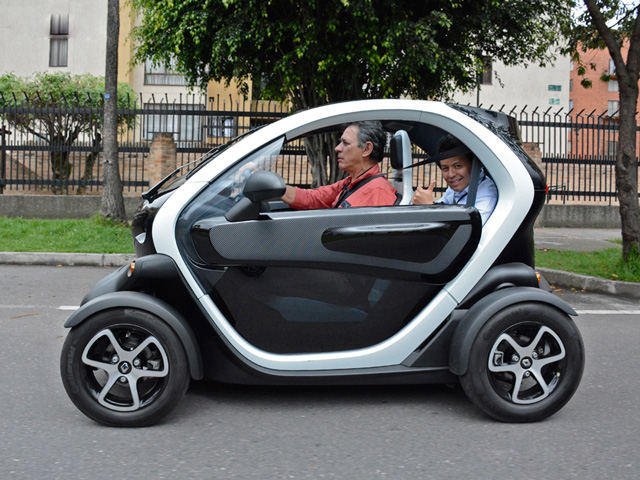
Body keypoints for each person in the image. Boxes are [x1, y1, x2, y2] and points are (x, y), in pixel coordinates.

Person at [281, 121, 397, 209]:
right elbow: (312, 198)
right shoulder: (350, 183)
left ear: (367, 149)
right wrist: (276, 189)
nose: (337, 148)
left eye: (345, 143)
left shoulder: (377, 191)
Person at [412, 135, 497, 225]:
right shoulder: (457, 189)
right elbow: (442, 206)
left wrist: (429, 208)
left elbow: (466, 231)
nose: (451, 175)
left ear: (474, 165)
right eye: (445, 168)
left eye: (457, 166)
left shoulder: (486, 196)